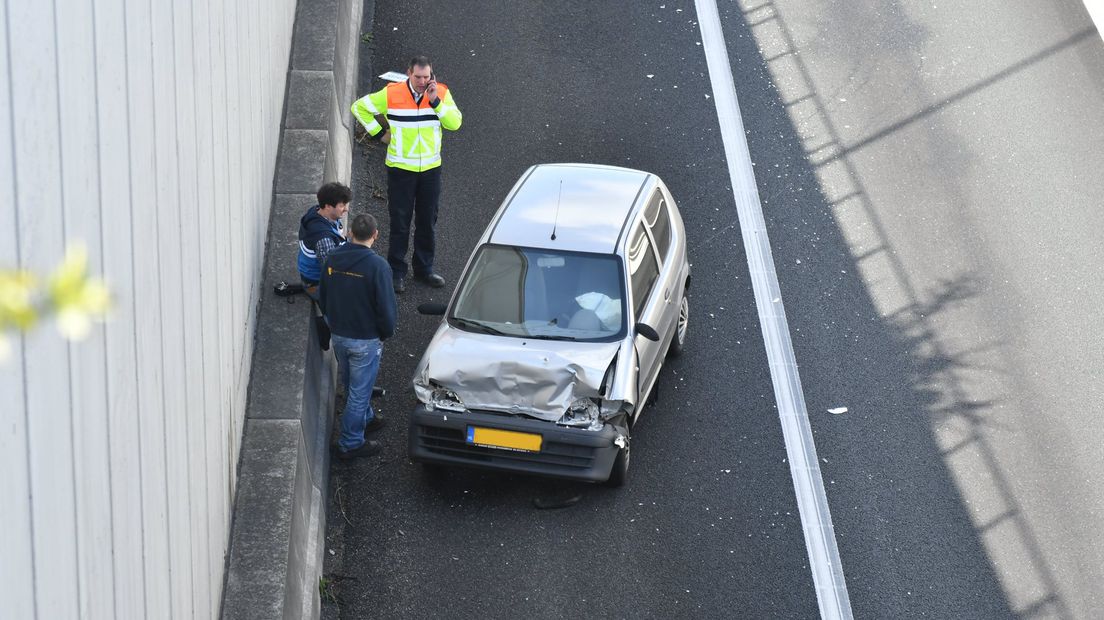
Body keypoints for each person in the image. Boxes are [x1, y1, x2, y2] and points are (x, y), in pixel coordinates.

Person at [351, 55, 462, 294]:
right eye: (418, 77)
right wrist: (380, 134)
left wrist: (436, 103)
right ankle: (396, 272)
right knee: (400, 223)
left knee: (427, 222)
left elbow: (455, 123)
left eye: (427, 77)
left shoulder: (440, 93)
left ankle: (424, 270)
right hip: (401, 169)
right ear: (408, 74)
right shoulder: (392, 94)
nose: (423, 81)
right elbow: (359, 108)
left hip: (431, 170)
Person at [319, 213, 398, 459]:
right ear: (375, 235)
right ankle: (351, 442)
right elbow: (386, 307)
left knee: (351, 381)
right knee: (359, 391)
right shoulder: (378, 266)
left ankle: (367, 417)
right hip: (365, 339)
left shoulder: (333, 257)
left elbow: (324, 294)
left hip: (340, 334)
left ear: (350, 233)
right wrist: (386, 332)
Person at [297, 182, 351, 299]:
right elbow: (333, 271)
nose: (346, 209)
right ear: (327, 206)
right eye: (342, 205)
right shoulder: (323, 239)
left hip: (312, 275)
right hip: (316, 283)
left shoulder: (316, 211)